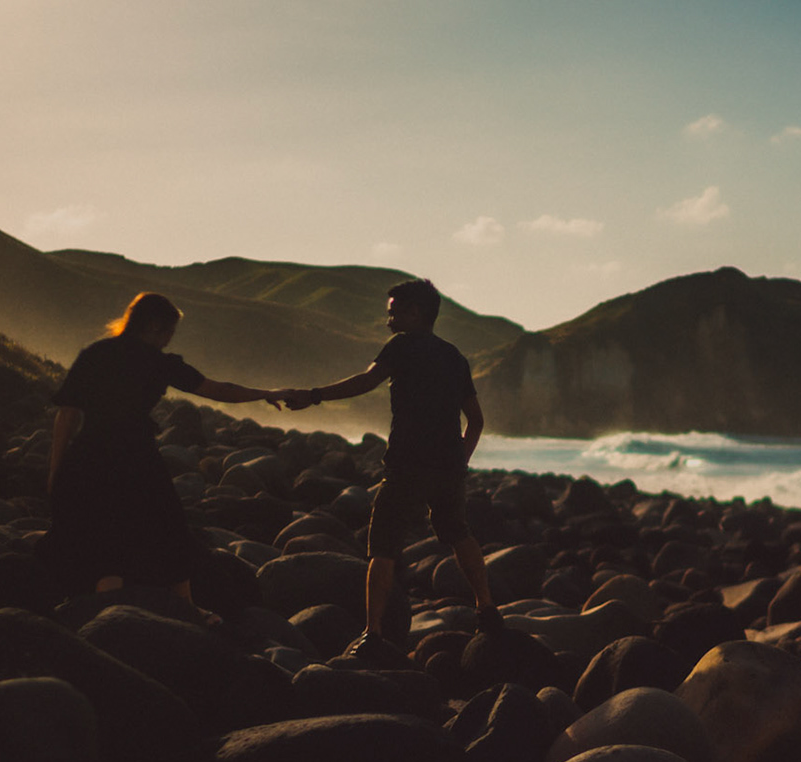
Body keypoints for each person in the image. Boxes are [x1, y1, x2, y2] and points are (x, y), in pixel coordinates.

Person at [273, 278, 502, 657]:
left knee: (383, 548)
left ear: (416, 312)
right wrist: (461, 459)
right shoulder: (454, 357)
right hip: (448, 468)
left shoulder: (403, 346)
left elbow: (365, 381)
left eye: (394, 311)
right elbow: (476, 421)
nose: (389, 319)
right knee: (459, 534)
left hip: (407, 465)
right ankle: (487, 608)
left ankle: (373, 633)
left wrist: (313, 396)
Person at [39, 292, 283, 623]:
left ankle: (98, 615)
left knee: (100, 537)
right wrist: (266, 394)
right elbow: (217, 389)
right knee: (169, 528)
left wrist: (56, 469)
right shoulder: (157, 361)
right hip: (135, 457)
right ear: (155, 326)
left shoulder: (95, 354)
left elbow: (66, 414)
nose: (169, 341)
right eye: (169, 332)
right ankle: (185, 607)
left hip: (88, 455)